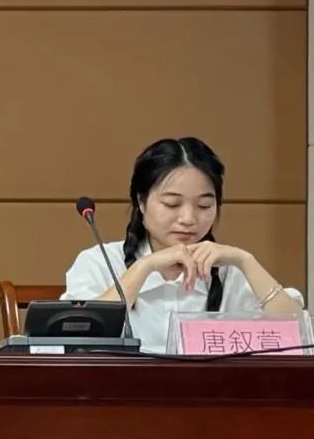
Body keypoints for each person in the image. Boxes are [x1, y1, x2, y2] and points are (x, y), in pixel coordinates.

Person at [63, 137, 304, 351]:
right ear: (141, 202)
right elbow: (76, 336)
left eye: (204, 206)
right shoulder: (99, 262)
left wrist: (245, 260)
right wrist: (143, 267)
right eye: (172, 204)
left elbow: (298, 337)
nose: (188, 219)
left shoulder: (230, 272)